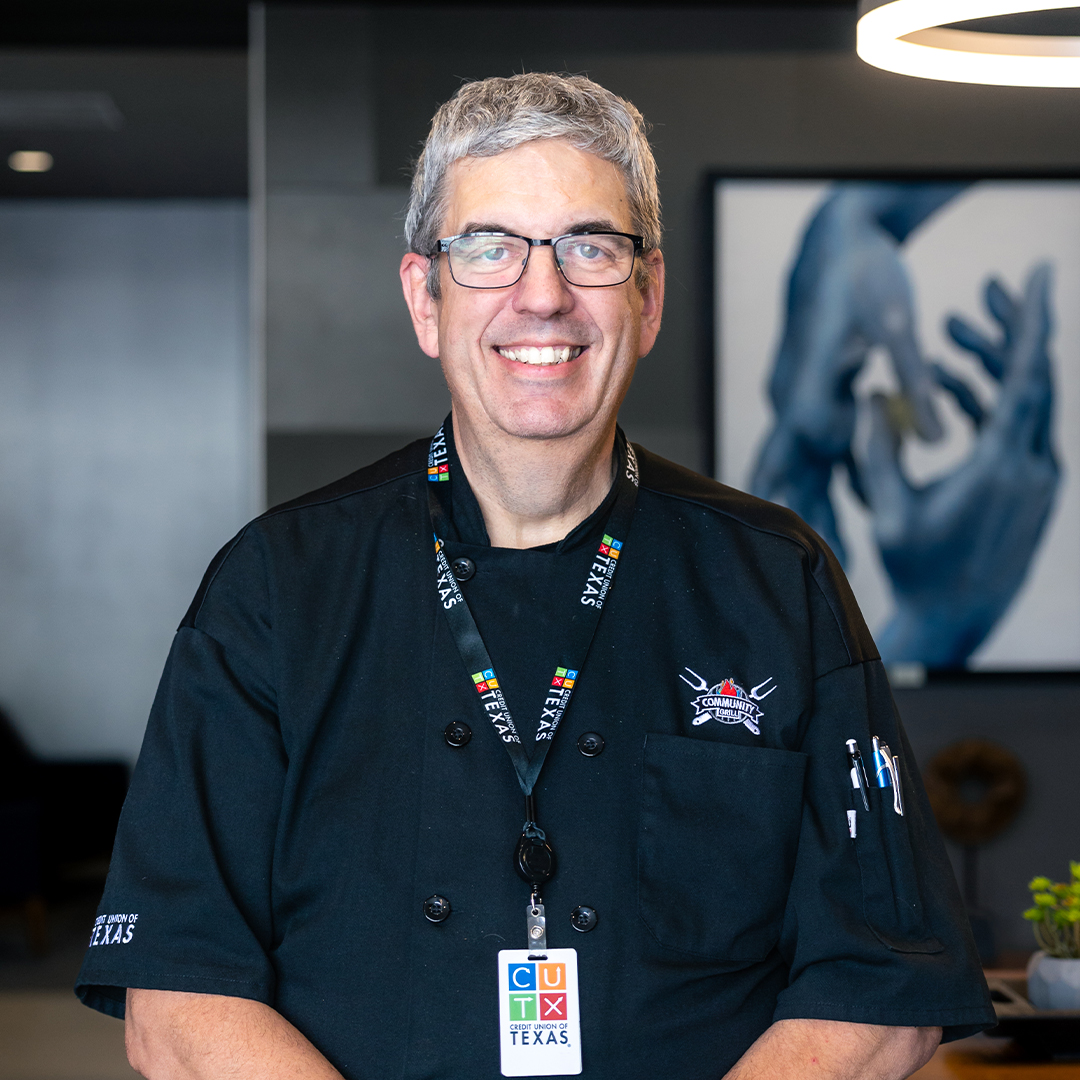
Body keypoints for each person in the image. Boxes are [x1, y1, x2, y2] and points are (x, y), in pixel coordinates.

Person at [76, 73, 994, 1079]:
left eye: (590, 248)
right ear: (425, 300)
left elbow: (887, 984)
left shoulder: (780, 580)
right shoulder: (273, 587)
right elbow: (176, 1000)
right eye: (489, 249)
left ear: (647, 298)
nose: (543, 294)